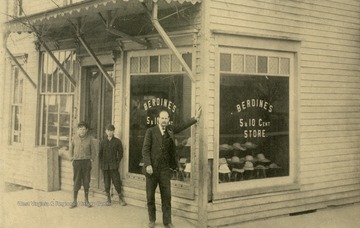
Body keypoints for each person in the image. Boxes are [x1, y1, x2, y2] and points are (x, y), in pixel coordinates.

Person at [142, 107, 201, 228]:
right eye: (162, 118)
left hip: (164, 169)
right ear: (158, 119)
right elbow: (145, 149)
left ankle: (167, 221)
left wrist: (195, 118)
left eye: (166, 118)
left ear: (168, 120)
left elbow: (182, 125)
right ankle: (152, 219)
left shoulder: (170, 130)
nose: (164, 120)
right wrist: (148, 164)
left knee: (167, 196)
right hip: (151, 169)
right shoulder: (151, 131)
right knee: (150, 196)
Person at [69, 121, 96, 208]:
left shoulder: (90, 139)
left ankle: (86, 200)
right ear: (78, 130)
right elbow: (71, 149)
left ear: (87, 130)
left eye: (84, 129)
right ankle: (74, 201)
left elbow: (93, 151)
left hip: (86, 162)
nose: (82, 131)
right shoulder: (74, 138)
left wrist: (91, 159)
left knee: (86, 180)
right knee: (76, 180)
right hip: (77, 162)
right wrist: (71, 158)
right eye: (80, 129)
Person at [99, 124, 126, 206]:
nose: (109, 132)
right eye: (108, 130)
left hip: (114, 166)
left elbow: (120, 153)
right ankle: (108, 199)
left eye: (111, 130)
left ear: (113, 131)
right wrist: (102, 164)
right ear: (105, 131)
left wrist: (117, 162)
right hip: (105, 166)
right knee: (107, 183)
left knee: (116, 181)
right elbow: (100, 154)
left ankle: (121, 199)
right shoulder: (103, 142)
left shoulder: (117, 141)